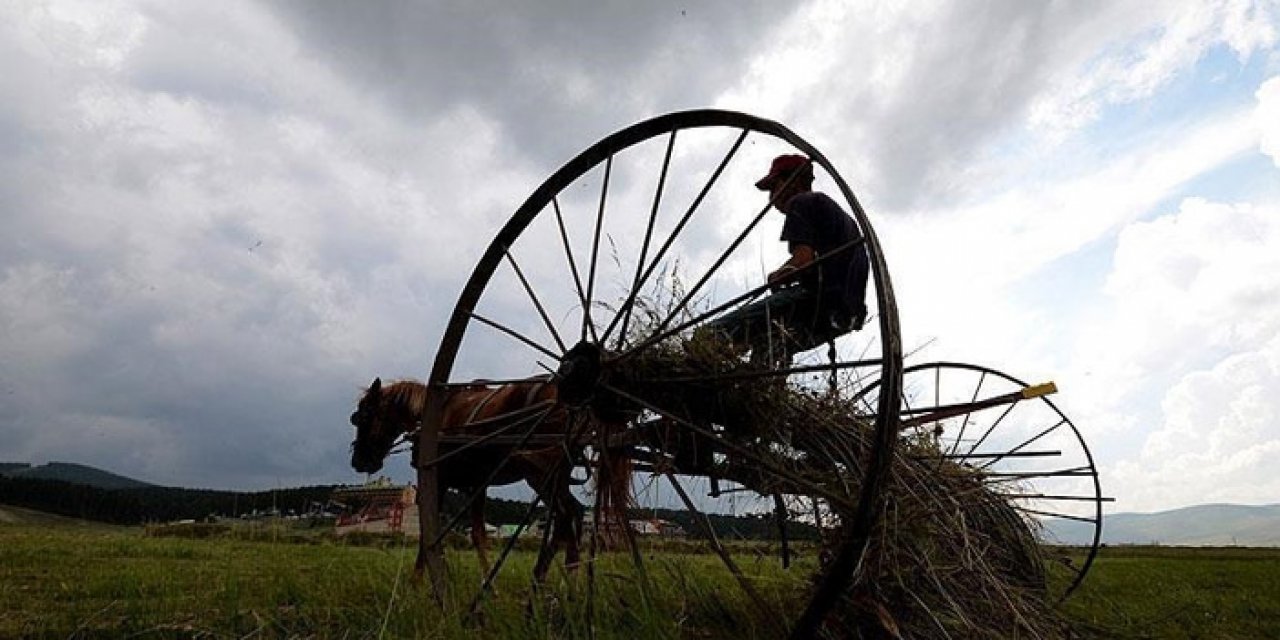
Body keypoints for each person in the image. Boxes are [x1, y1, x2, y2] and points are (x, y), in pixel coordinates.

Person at [702, 154, 870, 366]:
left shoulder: (803, 202)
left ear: (795, 181)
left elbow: (803, 259)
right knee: (770, 346)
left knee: (710, 334)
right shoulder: (843, 219)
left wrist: (779, 275)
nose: (772, 197)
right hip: (844, 315)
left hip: (815, 298)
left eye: (774, 187)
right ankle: (757, 389)